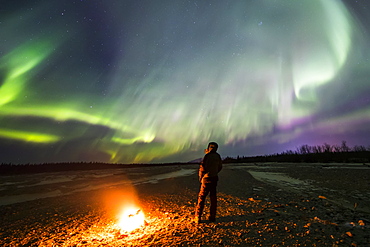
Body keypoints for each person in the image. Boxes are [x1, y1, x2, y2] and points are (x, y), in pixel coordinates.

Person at [195, 142, 222, 223]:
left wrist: (201, 177)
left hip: (206, 179)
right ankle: (212, 216)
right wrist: (215, 172)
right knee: (213, 198)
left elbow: (203, 167)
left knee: (201, 198)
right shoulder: (217, 156)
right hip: (214, 178)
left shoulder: (207, 156)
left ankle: (198, 217)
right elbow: (220, 167)